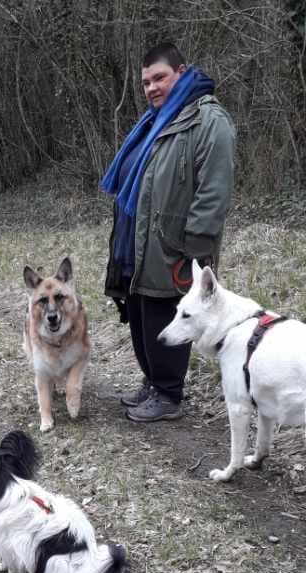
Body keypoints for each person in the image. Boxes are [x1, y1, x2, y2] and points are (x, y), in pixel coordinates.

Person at [102, 41, 235, 422]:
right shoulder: (155, 120)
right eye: (145, 82)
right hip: (142, 242)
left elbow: (214, 192)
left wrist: (194, 250)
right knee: (142, 312)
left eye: (159, 77)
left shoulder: (209, 121)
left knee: (166, 314)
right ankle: (152, 382)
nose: (151, 87)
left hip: (177, 247)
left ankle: (168, 394)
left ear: (181, 72)